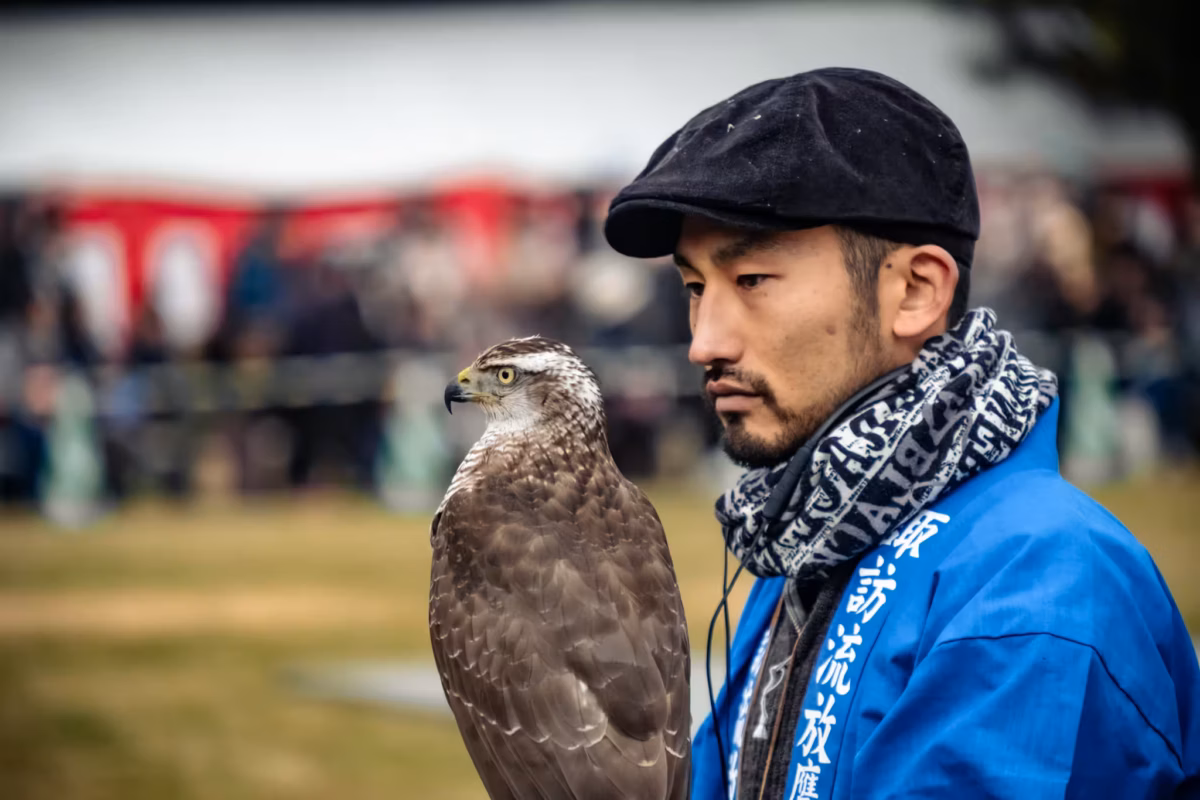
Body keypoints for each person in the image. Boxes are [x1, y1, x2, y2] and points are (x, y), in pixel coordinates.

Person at [604, 68, 1200, 799]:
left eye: (752, 280)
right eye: (695, 288)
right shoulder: (811, 532)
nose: (705, 342)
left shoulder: (1040, 580)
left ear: (917, 290)